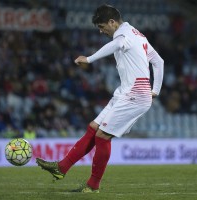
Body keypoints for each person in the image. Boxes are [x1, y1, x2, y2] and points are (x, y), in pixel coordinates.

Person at [36, 4, 164, 193]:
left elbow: (117, 45)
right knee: (93, 128)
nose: (101, 31)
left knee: (102, 137)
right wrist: (156, 90)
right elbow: (158, 61)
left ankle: (92, 186)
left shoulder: (124, 36)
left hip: (135, 94)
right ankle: (61, 168)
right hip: (126, 92)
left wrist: (89, 58)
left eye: (103, 27)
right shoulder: (138, 35)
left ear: (112, 22)